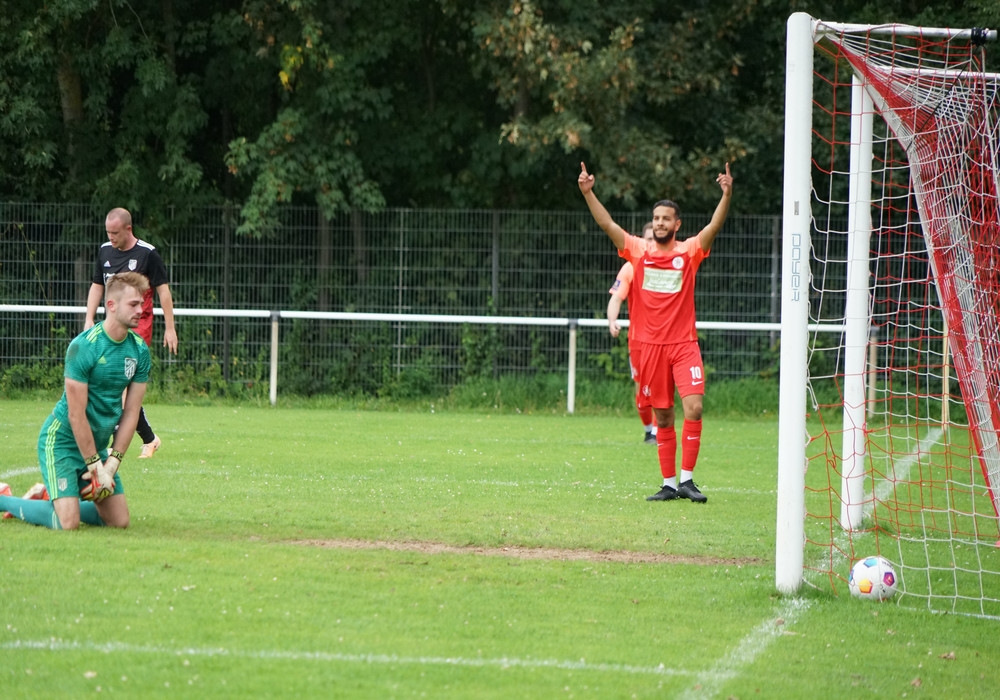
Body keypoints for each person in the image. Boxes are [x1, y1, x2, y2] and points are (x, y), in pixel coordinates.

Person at [579, 161, 733, 503]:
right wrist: (588, 193)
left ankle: (688, 480)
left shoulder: (689, 252)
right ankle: (668, 483)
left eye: (666, 219)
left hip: (684, 345)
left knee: (694, 407)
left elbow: (714, 226)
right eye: (656, 218)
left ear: (677, 224)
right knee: (663, 415)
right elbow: (607, 224)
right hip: (650, 347)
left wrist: (726, 194)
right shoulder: (638, 251)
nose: (660, 223)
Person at [0, 272, 151, 529]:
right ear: (112, 305)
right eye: (134, 304)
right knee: (67, 523)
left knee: (119, 521)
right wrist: (95, 466)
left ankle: (53, 498)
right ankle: (4, 498)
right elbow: (75, 414)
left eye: (142, 303)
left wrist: (111, 465)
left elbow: (132, 411)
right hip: (62, 443)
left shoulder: (139, 350)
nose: (141, 310)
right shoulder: (83, 347)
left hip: (96, 446)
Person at [85, 207, 176, 458]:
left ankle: (115, 442)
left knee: (122, 383)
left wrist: (170, 328)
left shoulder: (148, 254)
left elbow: (163, 292)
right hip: (109, 328)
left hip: (138, 328)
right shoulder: (104, 251)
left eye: (115, 232)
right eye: (108, 232)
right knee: (111, 383)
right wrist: (89, 318)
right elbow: (97, 286)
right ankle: (149, 439)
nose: (111, 237)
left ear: (128, 229)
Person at [607, 221, 658, 444]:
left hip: (665, 339)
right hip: (638, 340)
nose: (653, 243)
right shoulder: (630, 268)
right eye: (649, 239)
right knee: (642, 391)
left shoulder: (672, 265)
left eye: (656, 239)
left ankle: (658, 432)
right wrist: (612, 320)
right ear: (642, 241)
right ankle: (649, 430)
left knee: (660, 388)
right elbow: (616, 298)